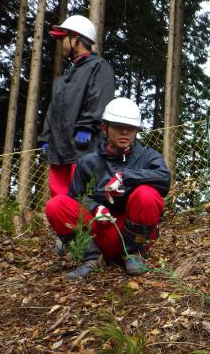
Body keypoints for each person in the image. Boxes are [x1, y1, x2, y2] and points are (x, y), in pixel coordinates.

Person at [44, 98, 170, 281]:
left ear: (137, 131)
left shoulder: (148, 157)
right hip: (100, 233)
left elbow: (164, 180)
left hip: (133, 234)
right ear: (105, 128)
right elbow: (75, 198)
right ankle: (92, 259)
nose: (125, 131)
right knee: (56, 205)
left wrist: (125, 177)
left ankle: (134, 255)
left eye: (131, 127)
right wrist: (96, 208)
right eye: (118, 126)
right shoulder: (88, 162)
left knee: (147, 194)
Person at [38, 14, 115, 198]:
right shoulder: (64, 77)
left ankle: (85, 227)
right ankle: (61, 227)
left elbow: (99, 99)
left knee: (83, 195)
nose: (61, 42)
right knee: (59, 197)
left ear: (76, 39)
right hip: (59, 148)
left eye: (63, 37)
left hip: (84, 147)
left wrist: (87, 126)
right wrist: (46, 138)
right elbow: (53, 110)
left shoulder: (99, 67)